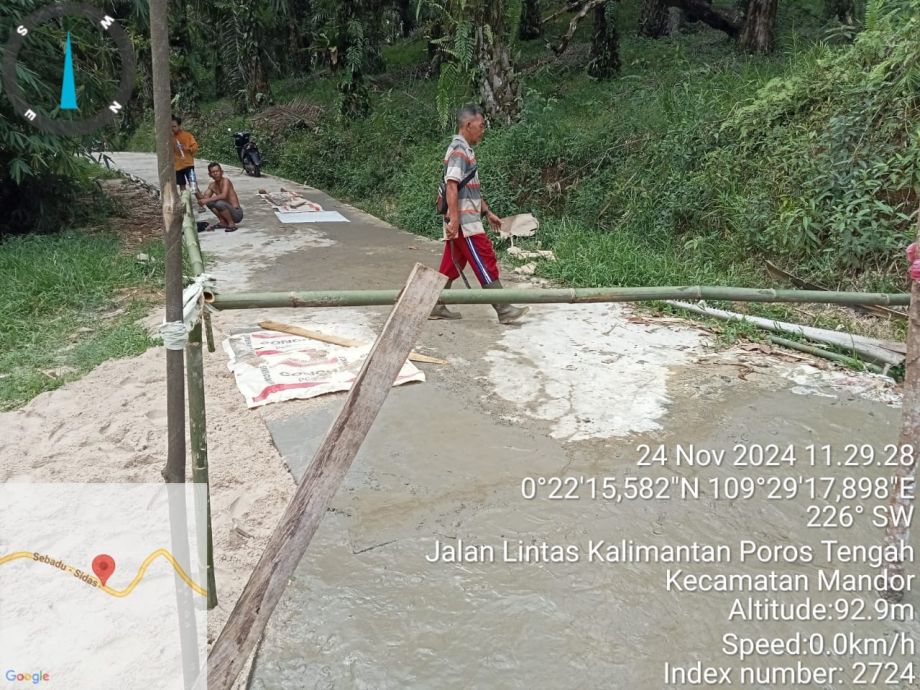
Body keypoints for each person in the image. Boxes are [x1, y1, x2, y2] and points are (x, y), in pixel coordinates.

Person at [430, 104, 528, 324]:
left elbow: (469, 188)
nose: (483, 130)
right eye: (481, 125)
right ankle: (504, 310)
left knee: (451, 263)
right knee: (484, 259)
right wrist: (455, 220)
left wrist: (487, 212)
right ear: (468, 125)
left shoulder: (465, 150)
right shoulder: (458, 150)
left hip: (467, 219)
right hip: (465, 223)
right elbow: (452, 186)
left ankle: (435, 304)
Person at [196, 162, 244, 232]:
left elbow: (223, 196)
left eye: (217, 171)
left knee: (219, 203)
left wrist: (206, 200)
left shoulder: (226, 181)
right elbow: (204, 198)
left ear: (221, 172)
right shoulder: (212, 185)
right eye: (213, 172)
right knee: (209, 203)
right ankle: (223, 222)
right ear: (209, 175)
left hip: (236, 213)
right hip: (227, 210)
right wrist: (195, 189)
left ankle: (231, 224)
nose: (215, 173)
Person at [171, 115, 199, 192]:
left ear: (179, 126)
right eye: (170, 127)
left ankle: (201, 201)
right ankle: (185, 202)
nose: (172, 129)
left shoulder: (187, 135)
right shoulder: (169, 137)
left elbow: (195, 146)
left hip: (188, 165)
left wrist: (188, 149)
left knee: (193, 185)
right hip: (177, 166)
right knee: (182, 186)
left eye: (174, 126)